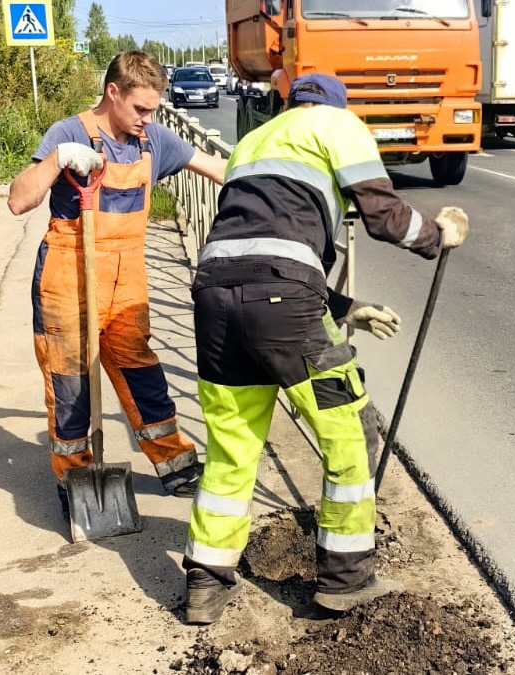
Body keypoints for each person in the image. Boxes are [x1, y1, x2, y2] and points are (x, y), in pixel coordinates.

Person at [181, 73, 469, 625]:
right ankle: (346, 579)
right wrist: (438, 236)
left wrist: (339, 309)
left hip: (213, 297)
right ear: (337, 105)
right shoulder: (338, 125)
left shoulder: (253, 141)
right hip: (281, 299)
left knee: (232, 445)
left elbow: (257, 244)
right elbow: (383, 216)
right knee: (349, 431)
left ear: (291, 103)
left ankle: (206, 584)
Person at [7, 51, 228, 516]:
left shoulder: (154, 139)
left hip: (126, 276)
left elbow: (218, 169)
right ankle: (77, 479)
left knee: (143, 373)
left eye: (153, 109)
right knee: (70, 386)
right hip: (68, 274)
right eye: (140, 109)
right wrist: (57, 161)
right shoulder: (67, 133)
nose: (148, 119)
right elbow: (19, 200)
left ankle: (176, 465)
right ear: (113, 92)